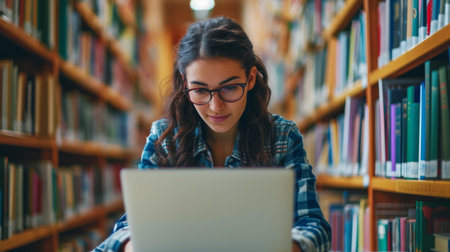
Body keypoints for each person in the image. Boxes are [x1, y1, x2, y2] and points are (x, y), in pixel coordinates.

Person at [94, 16, 331, 252]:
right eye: (199, 90)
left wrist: (285, 247)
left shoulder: (282, 137)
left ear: (249, 79)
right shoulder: (164, 139)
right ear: (185, 84)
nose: (215, 106)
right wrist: (132, 246)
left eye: (229, 88)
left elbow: (313, 225)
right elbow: (129, 227)